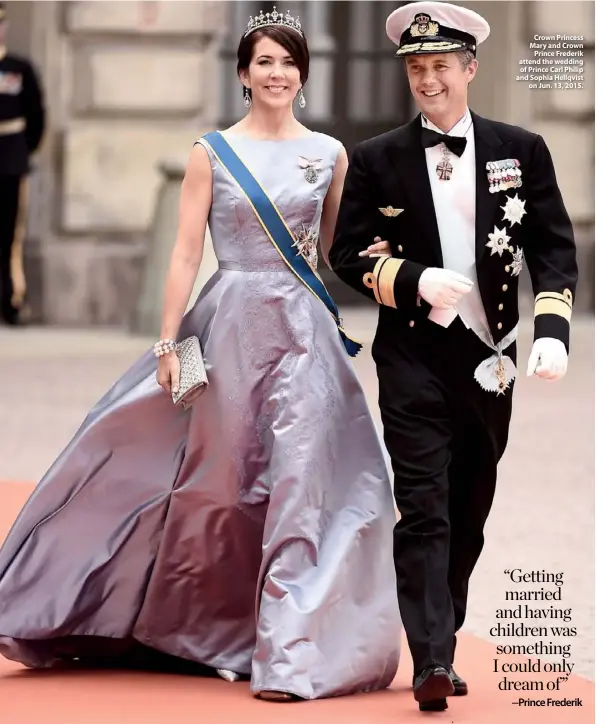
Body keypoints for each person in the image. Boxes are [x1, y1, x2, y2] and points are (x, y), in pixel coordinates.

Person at [0, 8, 402, 703]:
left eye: (288, 61)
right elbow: (187, 252)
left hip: (304, 334)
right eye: (264, 62)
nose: (277, 73)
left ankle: (291, 653)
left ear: (303, 73)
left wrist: (403, 257)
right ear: (244, 73)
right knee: (213, 482)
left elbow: (341, 252)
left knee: (304, 481)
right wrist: (169, 344)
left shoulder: (331, 154)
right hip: (224, 328)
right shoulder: (211, 152)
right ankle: (193, 630)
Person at [329, 1, 578, 712]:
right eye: (416, 68)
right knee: (425, 508)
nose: (428, 79)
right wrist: (412, 280)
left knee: (468, 507)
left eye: (440, 66)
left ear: (469, 68)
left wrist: (553, 330)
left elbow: (554, 251)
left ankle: (445, 632)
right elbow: (345, 254)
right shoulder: (378, 159)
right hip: (411, 354)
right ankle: (432, 659)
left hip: (489, 356)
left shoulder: (521, 148)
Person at [0, 1, 45, 325]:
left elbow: (36, 115)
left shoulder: (18, 68)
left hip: (10, 160)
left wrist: (21, 151)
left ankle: (11, 300)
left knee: (9, 235)